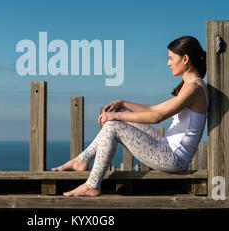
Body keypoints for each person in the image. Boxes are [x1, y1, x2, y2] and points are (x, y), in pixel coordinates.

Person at [52, 35, 209, 197]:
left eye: (171, 58)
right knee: (120, 114)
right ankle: (82, 160)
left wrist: (116, 117)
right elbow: (153, 109)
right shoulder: (190, 86)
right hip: (166, 148)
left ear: (185, 59)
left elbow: (157, 117)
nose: (168, 63)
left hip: (173, 159)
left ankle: (92, 185)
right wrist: (122, 104)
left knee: (114, 124)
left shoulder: (194, 88)